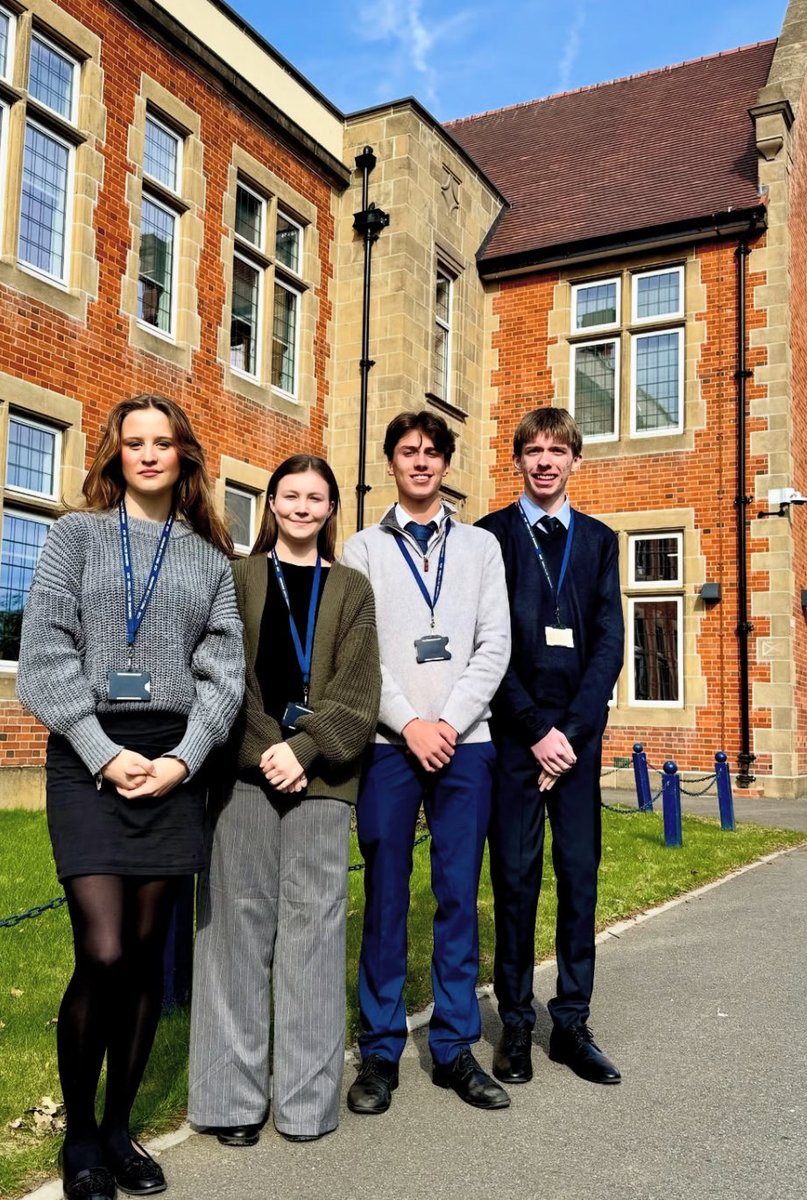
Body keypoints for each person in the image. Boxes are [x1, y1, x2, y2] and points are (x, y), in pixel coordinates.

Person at [17, 394, 245, 1200]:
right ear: (115, 453)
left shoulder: (211, 559)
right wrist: (101, 750)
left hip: (173, 761)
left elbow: (224, 675)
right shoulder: (73, 536)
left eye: (163, 442)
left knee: (147, 957)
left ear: (184, 454)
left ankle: (119, 1131)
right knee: (103, 950)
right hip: (90, 758)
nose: (148, 455)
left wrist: (184, 760)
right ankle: (78, 1139)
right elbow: (44, 649)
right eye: (133, 442)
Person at [188, 454, 381, 1145]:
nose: (302, 507)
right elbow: (219, 678)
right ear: (269, 503)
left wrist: (300, 752)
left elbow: (358, 697)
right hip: (242, 778)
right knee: (232, 937)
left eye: (316, 497)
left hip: (323, 783)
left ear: (331, 510)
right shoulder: (234, 577)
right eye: (290, 495)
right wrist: (264, 751)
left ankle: (305, 1103)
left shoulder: (353, 589)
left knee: (314, 936)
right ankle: (229, 1103)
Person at [341, 410, 511, 1115]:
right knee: (384, 897)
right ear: (390, 463)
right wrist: (410, 724)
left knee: (455, 897)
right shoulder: (360, 550)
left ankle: (452, 1047)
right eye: (407, 452)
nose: (420, 462)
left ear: (445, 465)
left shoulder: (478, 549)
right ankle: (379, 1050)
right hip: (388, 747)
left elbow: (492, 645)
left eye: (432, 452)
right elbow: (357, 656)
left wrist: (447, 722)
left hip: (466, 744)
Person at [476, 406, 624, 1088]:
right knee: (513, 882)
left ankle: (570, 1023)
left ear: (573, 461)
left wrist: (568, 734)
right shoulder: (489, 539)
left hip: (576, 743)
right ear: (517, 461)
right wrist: (535, 730)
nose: (544, 461)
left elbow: (608, 642)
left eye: (556, 450)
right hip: (513, 740)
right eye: (532, 450)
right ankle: (515, 1023)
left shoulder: (597, 541)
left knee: (578, 880)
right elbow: (487, 645)